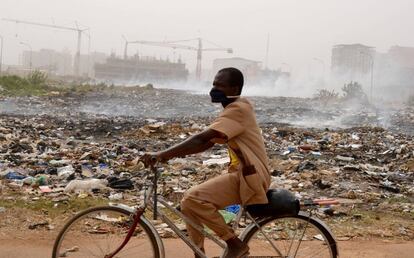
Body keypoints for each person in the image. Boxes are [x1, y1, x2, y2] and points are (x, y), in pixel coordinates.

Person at [140, 67, 270, 258]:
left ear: (234, 88)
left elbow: (201, 139)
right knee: (188, 206)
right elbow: (206, 144)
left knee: (193, 198)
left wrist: (161, 154)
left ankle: (234, 244)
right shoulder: (236, 107)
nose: (214, 89)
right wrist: (171, 155)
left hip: (249, 178)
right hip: (242, 174)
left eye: (220, 85)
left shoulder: (238, 110)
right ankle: (198, 253)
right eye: (214, 84)